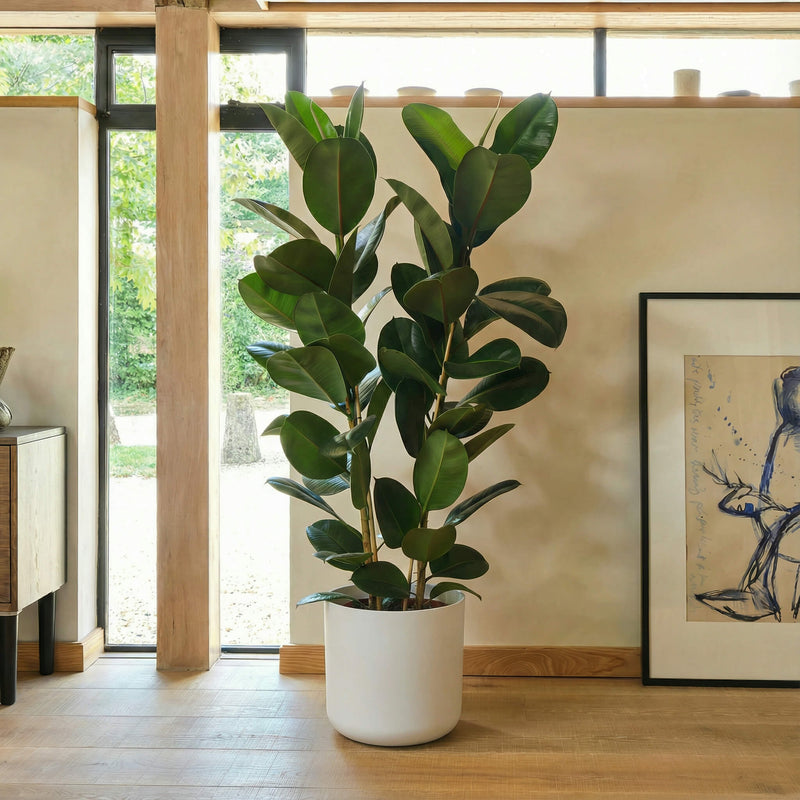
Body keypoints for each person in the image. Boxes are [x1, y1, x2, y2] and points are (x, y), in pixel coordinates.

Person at [696, 366, 800, 621]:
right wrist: (757, 504)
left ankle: (769, 600)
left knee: (786, 534)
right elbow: (774, 487)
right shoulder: (784, 434)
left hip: (790, 524)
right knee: (781, 531)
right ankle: (762, 593)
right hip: (781, 520)